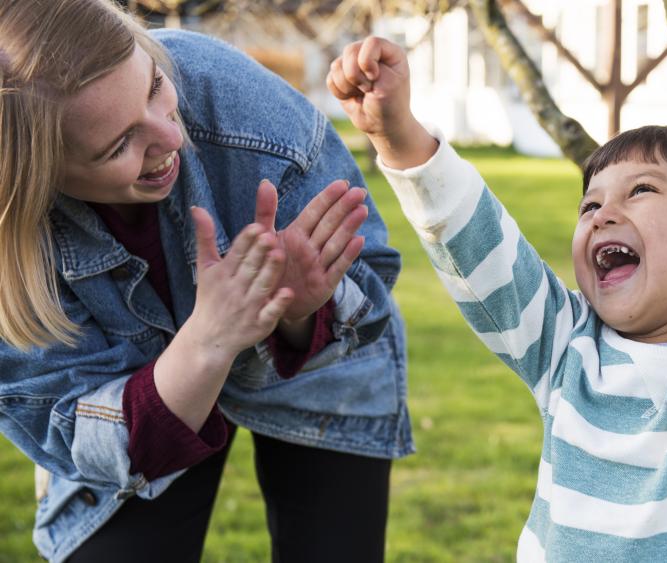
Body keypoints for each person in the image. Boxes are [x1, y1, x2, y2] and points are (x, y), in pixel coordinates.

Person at [329, 22, 667, 561]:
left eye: (642, 191)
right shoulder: (565, 349)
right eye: (590, 205)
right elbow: (476, 245)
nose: (604, 213)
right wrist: (397, 133)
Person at [0, 1, 412, 562]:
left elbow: (369, 289)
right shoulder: (13, 235)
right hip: (128, 388)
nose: (168, 137)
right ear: (39, 179)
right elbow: (68, 425)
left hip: (315, 378)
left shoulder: (243, 105)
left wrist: (296, 309)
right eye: (118, 146)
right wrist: (208, 341)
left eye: (153, 88)